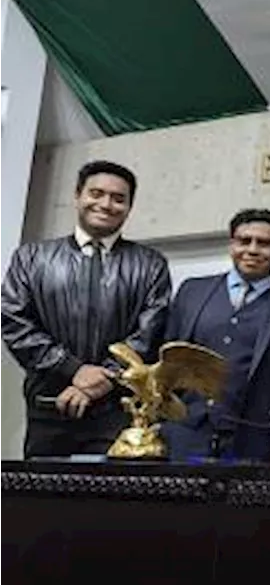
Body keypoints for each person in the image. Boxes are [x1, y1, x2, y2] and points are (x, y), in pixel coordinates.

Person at [0, 160, 171, 457]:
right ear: (77, 195)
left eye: (119, 198)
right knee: (40, 499)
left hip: (118, 412)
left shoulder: (151, 264)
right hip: (49, 405)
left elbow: (150, 332)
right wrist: (72, 369)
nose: (106, 204)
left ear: (130, 207)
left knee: (108, 501)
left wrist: (102, 379)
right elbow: (13, 320)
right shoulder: (31, 258)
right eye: (97, 193)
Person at [162, 209, 270, 462]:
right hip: (187, 433)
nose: (252, 249)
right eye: (244, 241)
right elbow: (166, 358)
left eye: (264, 243)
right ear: (231, 245)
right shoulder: (192, 292)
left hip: (256, 440)